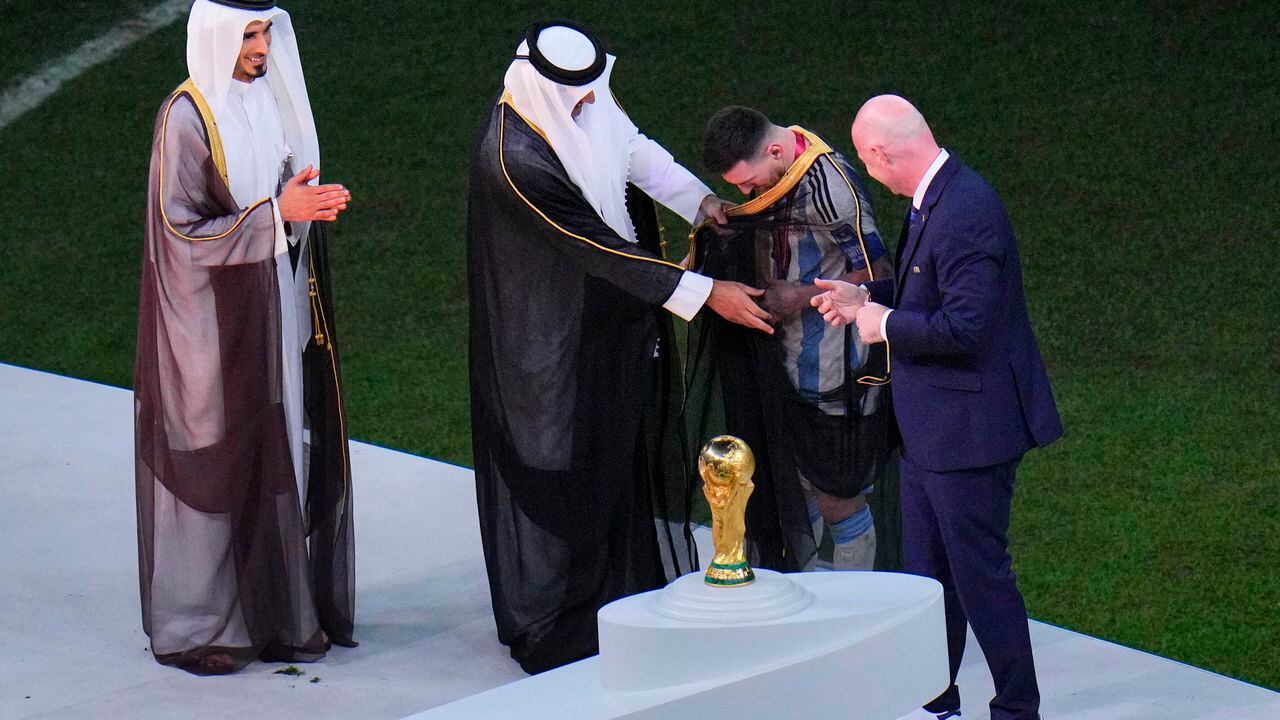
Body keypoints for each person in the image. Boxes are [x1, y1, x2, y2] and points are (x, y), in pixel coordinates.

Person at [466, 21, 770, 674]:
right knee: (569, 460)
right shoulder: (513, 158)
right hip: (551, 334)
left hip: (605, 312)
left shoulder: (584, 101)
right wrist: (705, 292)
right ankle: (566, 615)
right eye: (575, 99)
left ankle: (617, 593)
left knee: (617, 447)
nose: (588, 105)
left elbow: (634, 152)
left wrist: (702, 203)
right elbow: (594, 246)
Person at [812, 95, 1062, 720]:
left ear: (881, 154)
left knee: (979, 578)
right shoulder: (938, 197)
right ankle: (935, 695)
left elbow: (966, 329)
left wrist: (882, 323)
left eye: (868, 162)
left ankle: (1016, 709)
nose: (869, 173)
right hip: (932, 432)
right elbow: (928, 286)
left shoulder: (966, 211)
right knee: (929, 580)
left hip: (970, 434)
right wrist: (865, 295)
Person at [134, 0, 356, 675]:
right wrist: (275, 215)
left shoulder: (264, 104)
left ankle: (275, 613)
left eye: (266, 33)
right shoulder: (186, 118)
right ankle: (209, 623)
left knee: (275, 449)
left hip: (271, 310)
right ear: (218, 38)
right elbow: (180, 232)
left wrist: (296, 209)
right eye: (250, 35)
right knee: (217, 461)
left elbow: (276, 206)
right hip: (207, 326)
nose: (262, 48)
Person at [692, 106, 895, 572]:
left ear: (776, 150)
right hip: (780, 362)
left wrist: (798, 297)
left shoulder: (834, 193)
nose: (744, 193)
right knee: (791, 483)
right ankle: (801, 590)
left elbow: (876, 277)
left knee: (837, 496)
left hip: (835, 370)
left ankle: (849, 613)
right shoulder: (780, 170)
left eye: (747, 182)